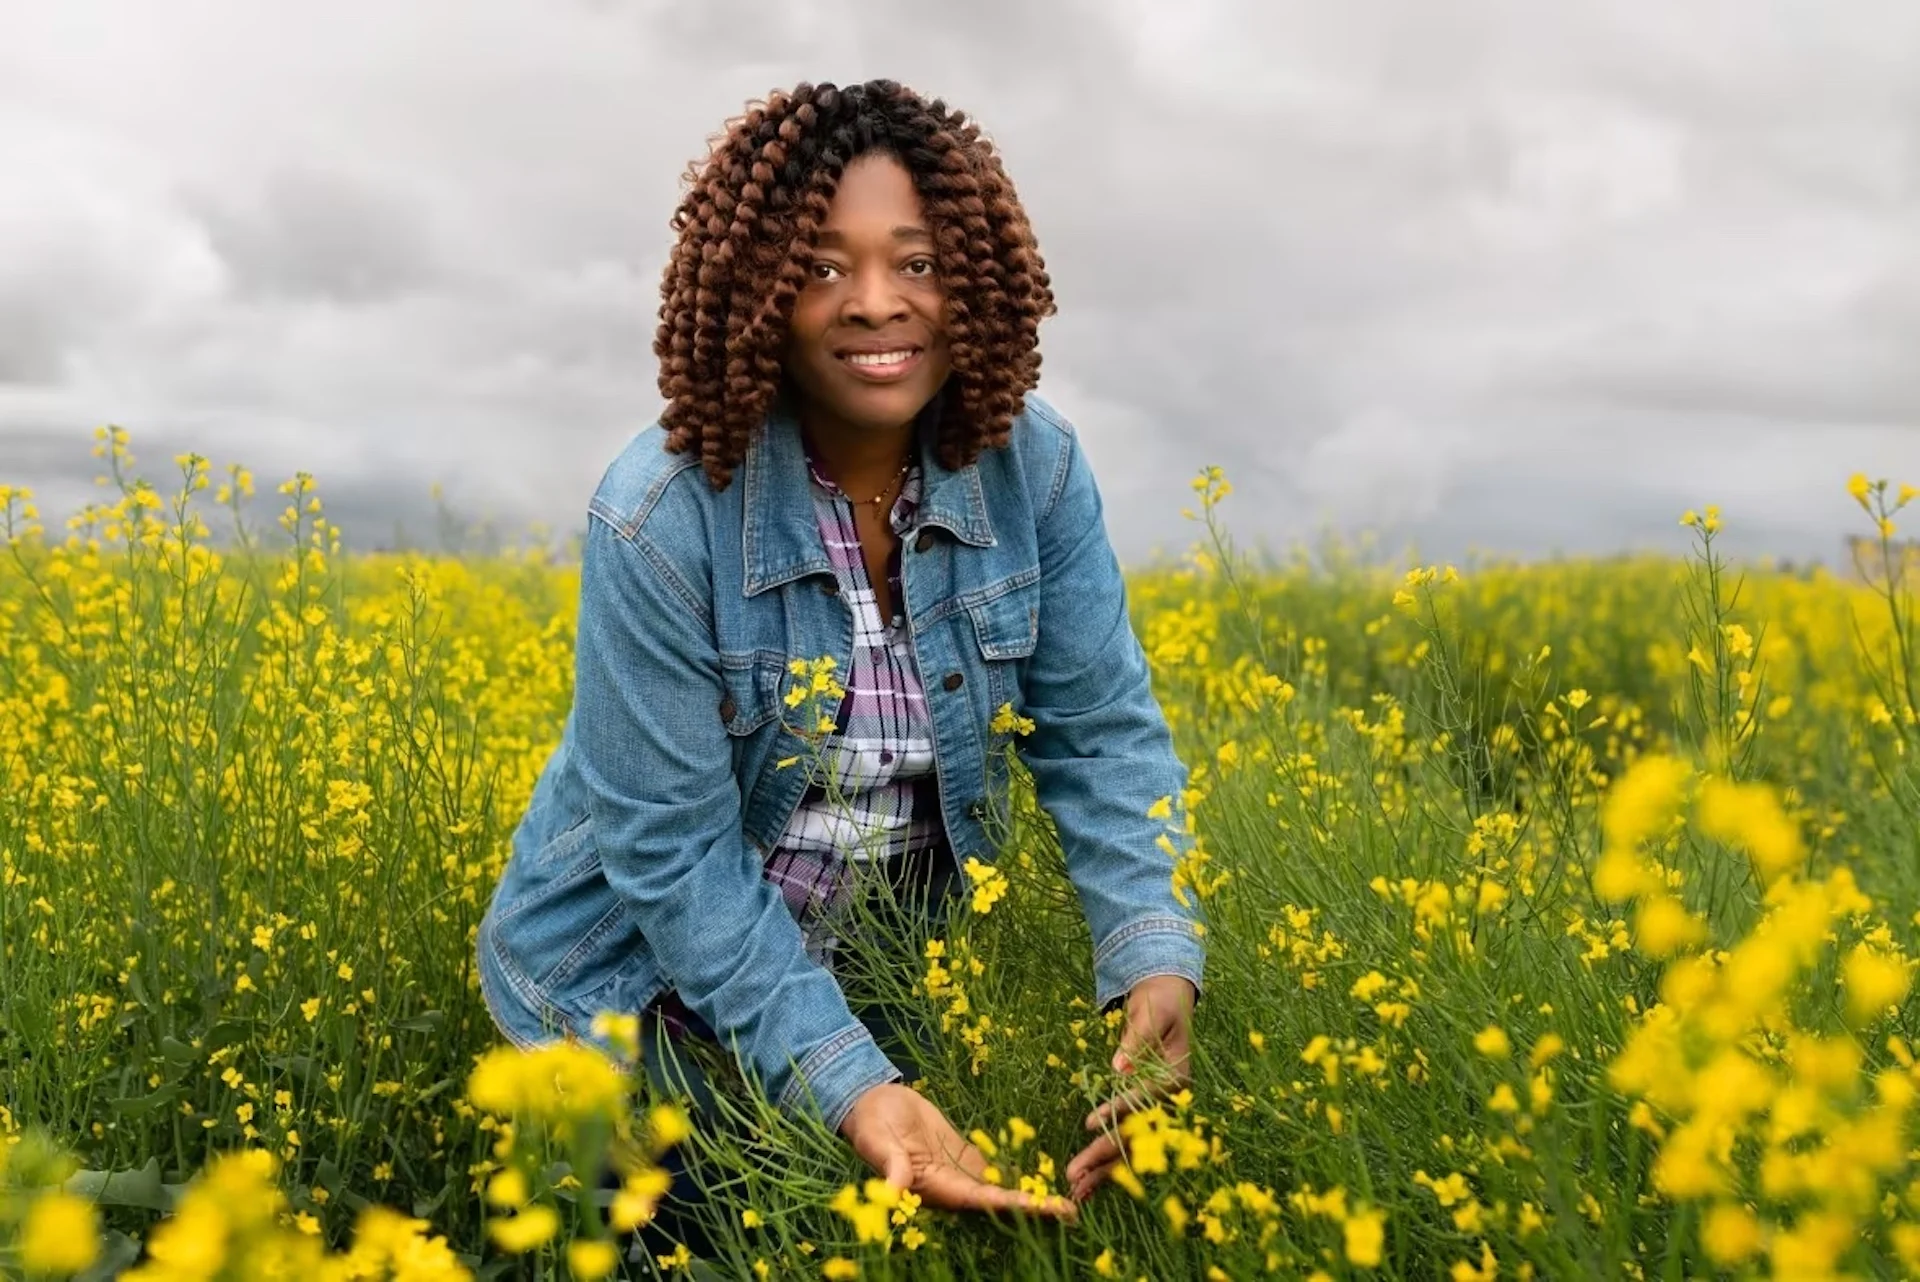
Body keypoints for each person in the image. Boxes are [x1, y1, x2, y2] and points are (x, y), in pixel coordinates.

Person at [474, 78, 1206, 1241]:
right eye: (822, 266)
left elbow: (1102, 731)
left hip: (868, 980)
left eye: (916, 262)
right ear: (759, 288)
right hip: (629, 999)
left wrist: (1153, 953)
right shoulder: (658, 517)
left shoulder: (1037, 469)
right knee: (711, 1243)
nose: (876, 303)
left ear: (972, 275)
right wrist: (850, 1081)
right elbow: (672, 859)